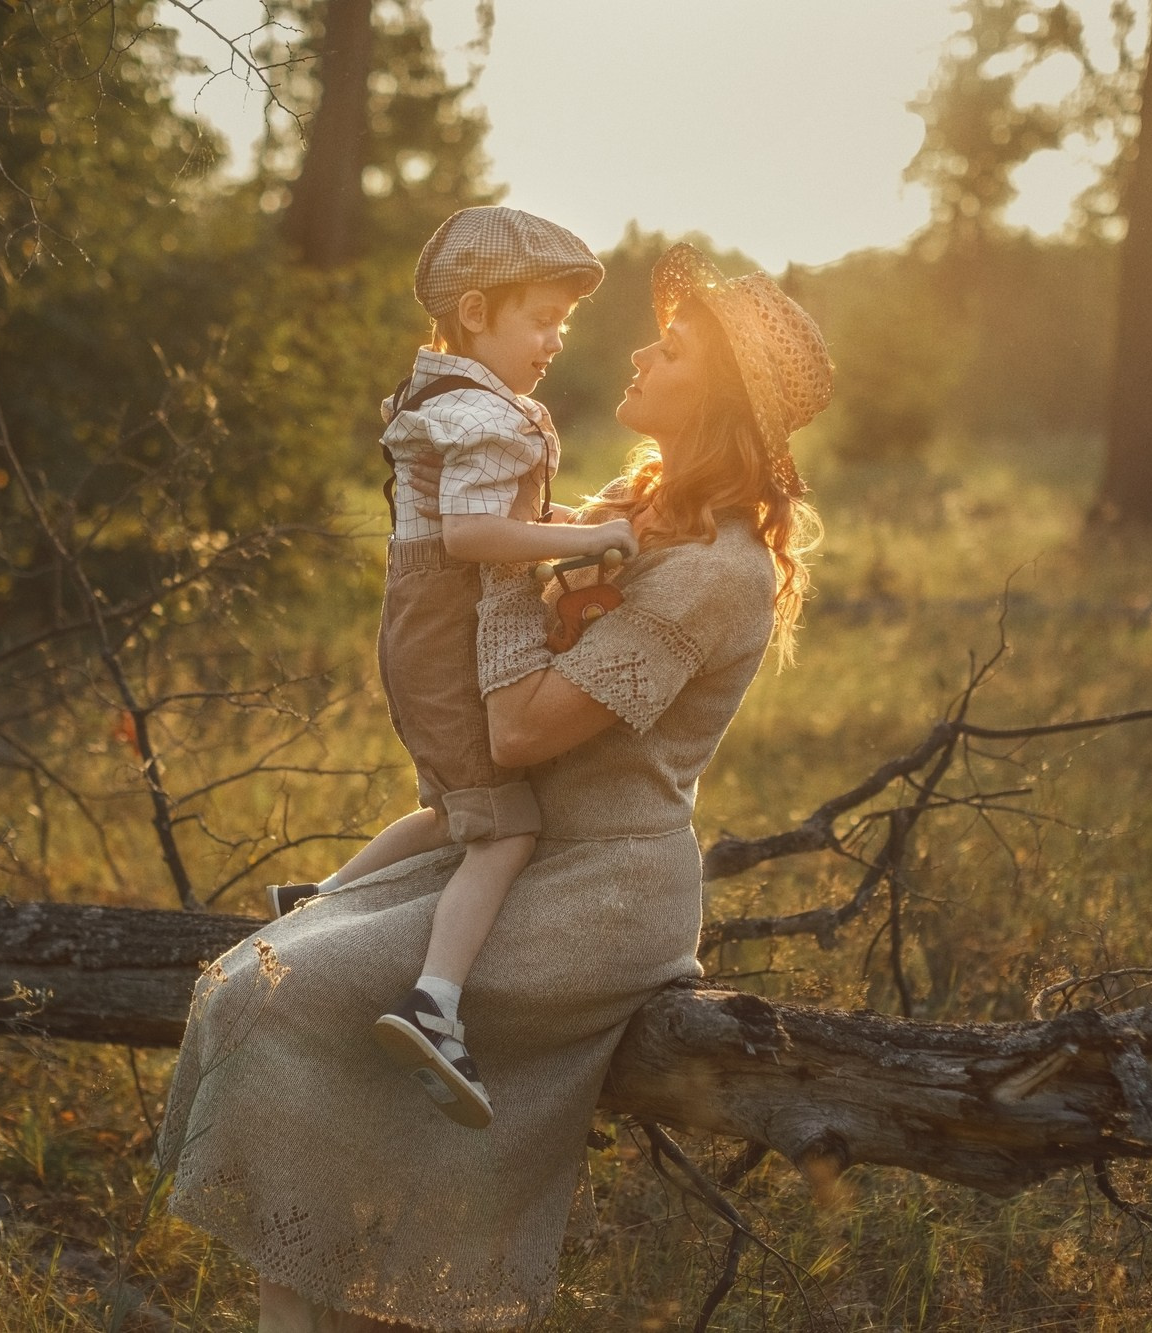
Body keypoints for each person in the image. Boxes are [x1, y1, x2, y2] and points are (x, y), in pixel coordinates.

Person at [158, 241, 834, 1332]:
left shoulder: (716, 573)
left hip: (602, 890)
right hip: (509, 844)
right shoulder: (636, 502)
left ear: (715, 400)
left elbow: (517, 731)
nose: (637, 354)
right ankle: (305, 1310)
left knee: (285, 992)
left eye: (668, 351)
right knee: (256, 977)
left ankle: (339, 1305)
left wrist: (498, 567)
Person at [270, 205, 636, 1131]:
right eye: (541, 320)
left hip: (427, 626)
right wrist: (586, 538)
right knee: (505, 827)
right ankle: (435, 1004)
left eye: (563, 323)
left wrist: (572, 526)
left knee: (452, 807)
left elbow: (493, 522)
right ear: (475, 313)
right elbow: (473, 536)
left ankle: (312, 903)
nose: (556, 340)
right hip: (442, 635)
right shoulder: (480, 414)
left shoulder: (456, 402)